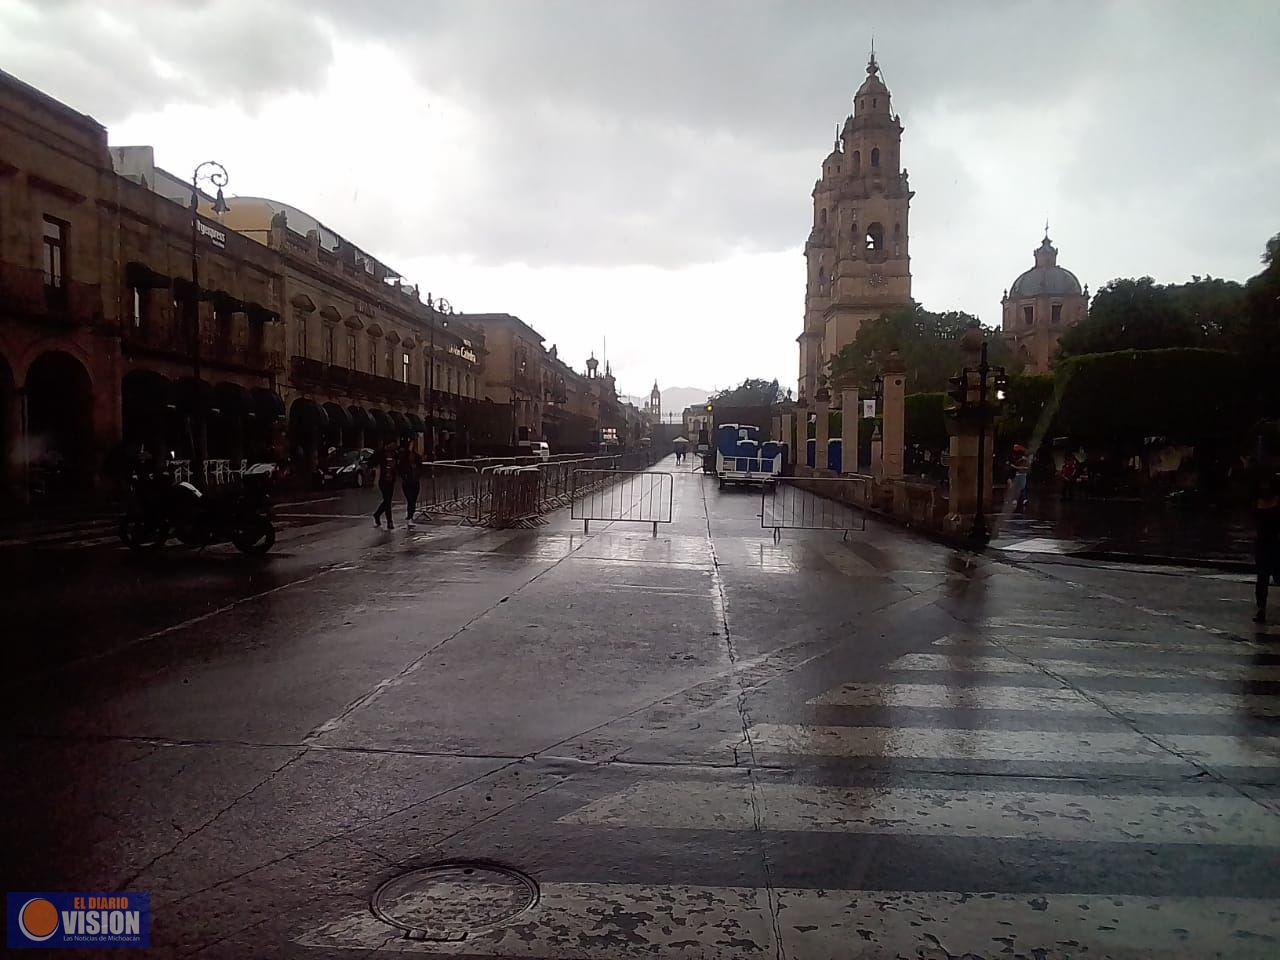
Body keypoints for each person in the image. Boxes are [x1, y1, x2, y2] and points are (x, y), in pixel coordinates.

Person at [1254, 472, 1280, 624]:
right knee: (1264, 577)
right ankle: (1261, 609)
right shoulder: (1264, 503)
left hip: (1267, 543)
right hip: (1270, 543)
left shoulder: (1260, 503)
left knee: (1263, 578)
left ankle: (1261, 609)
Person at [372, 440, 398, 530]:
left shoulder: (394, 453)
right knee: (387, 500)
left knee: (388, 500)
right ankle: (389, 521)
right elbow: (372, 463)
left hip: (391, 480)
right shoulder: (380, 453)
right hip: (382, 480)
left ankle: (377, 514)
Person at [399, 436, 422, 530]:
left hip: (415, 481)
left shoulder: (417, 457)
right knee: (410, 500)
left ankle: (410, 516)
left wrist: (418, 475)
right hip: (407, 482)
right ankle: (409, 517)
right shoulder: (403, 458)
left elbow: (421, 468)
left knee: (413, 500)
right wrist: (404, 477)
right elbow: (400, 469)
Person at [1008, 444, 1030, 512]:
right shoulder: (1016, 458)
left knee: (1021, 487)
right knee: (1018, 487)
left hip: (1021, 474)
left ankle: (1021, 499)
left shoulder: (1022, 459)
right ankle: (1017, 499)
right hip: (1018, 474)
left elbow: (1025, 467)